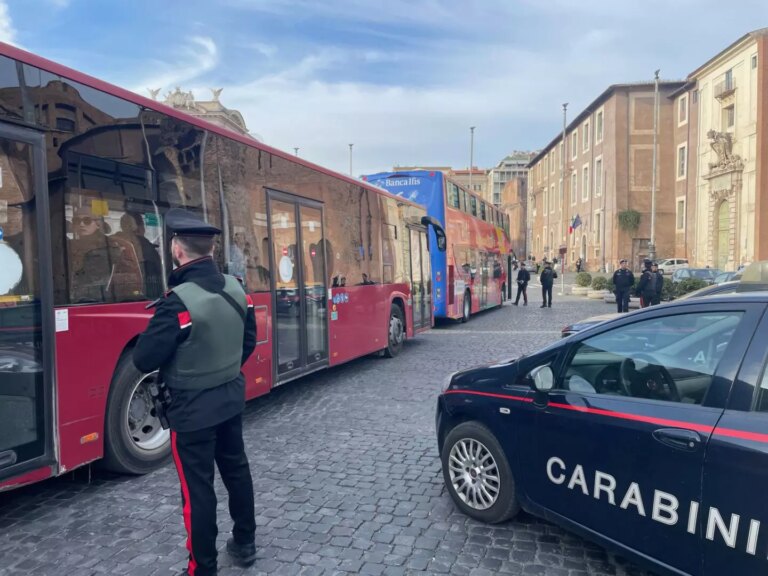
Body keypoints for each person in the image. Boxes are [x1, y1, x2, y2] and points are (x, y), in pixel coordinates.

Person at [133, 209, 258, 576]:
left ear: (177, 249)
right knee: (237, 470)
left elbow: (144, 358)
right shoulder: (236, 287)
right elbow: (246, 342)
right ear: (212, 248)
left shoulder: (177, 301)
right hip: (230, 398)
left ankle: (201, 568)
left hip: (190, 409)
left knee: (197, 490)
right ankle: (246, 542)